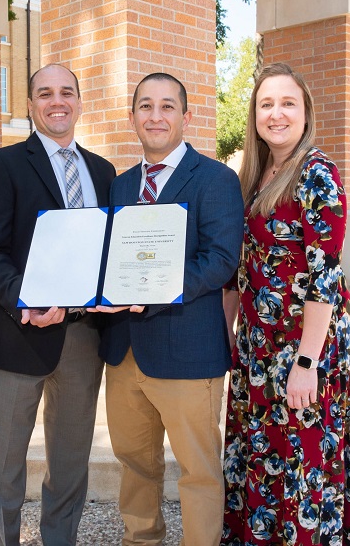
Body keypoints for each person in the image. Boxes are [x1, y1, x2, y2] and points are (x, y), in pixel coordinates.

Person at [93, 72, 244, 545]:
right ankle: (142, 539)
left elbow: (221, 259)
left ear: (185, 115)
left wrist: (157, 288)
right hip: (124, 354)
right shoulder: (119, 186)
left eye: (166, 106)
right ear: (133, 115)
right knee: (135, 463)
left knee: (198, 470)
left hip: (188, 350)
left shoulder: (215, 179)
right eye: (145, 106)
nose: (155, 116)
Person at [0, 63, 116, 546]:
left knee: (70, 464)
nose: (58, 101)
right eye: (45, 93)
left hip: (83, 338)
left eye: (67, 92)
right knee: (5, 467)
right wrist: (24, 302)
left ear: (79, 100)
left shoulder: (102, 171)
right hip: (18, 335)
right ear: (31, 104)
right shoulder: (3, 164)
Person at [221, 62, 350, 546]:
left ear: (305, 113)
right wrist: (229, 340)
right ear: (254, 114)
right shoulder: (255, 175)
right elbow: (241, 268)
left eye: (287, 103)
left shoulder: (318, 172)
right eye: (266, 104)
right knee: (260, 455)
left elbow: (325, 278)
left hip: (305, 344)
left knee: (300, 462)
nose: (276, 114)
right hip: (260, 346)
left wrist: (306, 361)